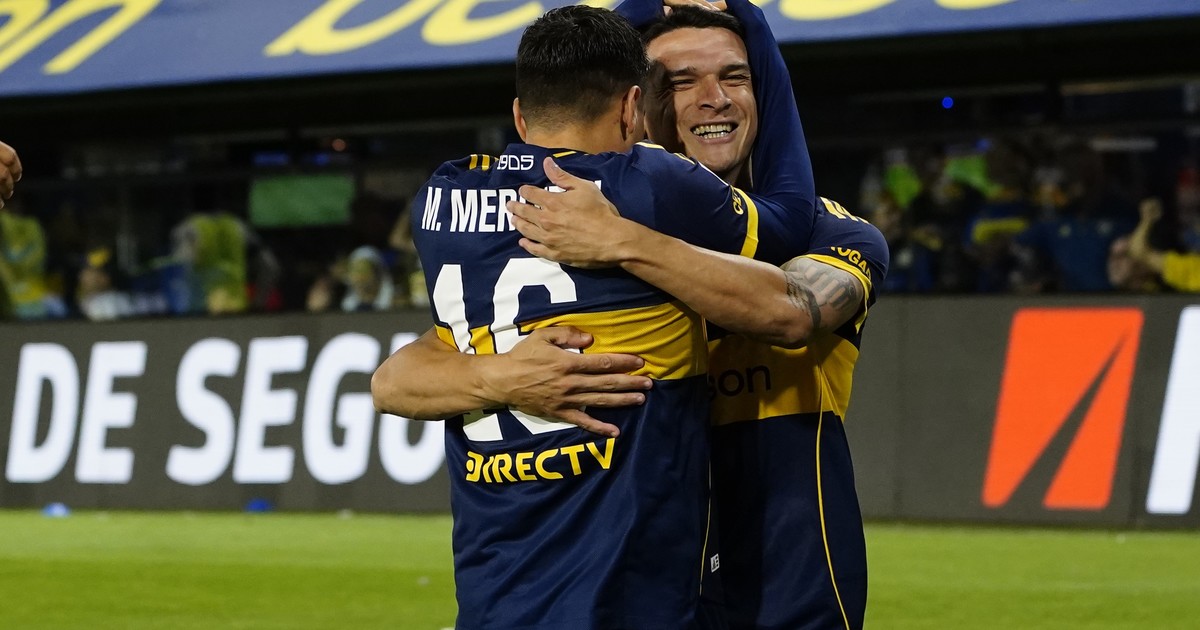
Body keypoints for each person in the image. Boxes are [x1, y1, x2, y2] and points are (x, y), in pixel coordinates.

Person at [376, 2, 886, 629]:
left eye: (735, 77)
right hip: (645, 580)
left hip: (782, 586)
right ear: (634, 104)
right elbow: (397, 378)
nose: (712, 98)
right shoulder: (569, 224)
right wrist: (500, 376)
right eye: (678, 81)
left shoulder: (832, 231)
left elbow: (795, 309)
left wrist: (624, 242)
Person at [1129, 198, 1200, 291]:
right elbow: (1140, 252)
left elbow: (1139, 251)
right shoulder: (1194, 269)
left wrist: (1147, 220)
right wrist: (1147, 219)